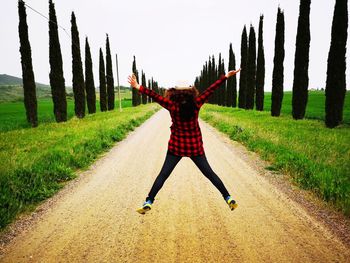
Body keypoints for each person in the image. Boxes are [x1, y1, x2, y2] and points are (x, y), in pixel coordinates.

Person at [128, 69, 241, 214]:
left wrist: (138, 86)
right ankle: (228, 197)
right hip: (195, 148)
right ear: (190, 91)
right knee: (210, 174)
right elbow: (211, 89)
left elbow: (154, 95)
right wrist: (225, 76)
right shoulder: (197, 103)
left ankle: (149, 201)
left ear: (174, 92)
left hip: (176, 147)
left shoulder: (171, 105)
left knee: (163, 175)